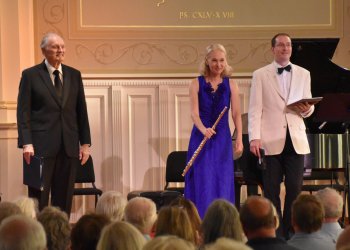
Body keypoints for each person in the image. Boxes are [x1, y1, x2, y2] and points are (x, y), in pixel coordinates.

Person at [17, 32, 91, 215]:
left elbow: (81, 111)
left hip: (68, 147)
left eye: (62, 46)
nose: (60, 50)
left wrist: (85, 144)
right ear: (44, 50)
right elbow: (23, 112)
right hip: (39, 149)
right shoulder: (30, 75)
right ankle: (39, 239)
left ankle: (60, 237)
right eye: (55, 46)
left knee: (64, 199)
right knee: (38, 199)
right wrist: (26, 143)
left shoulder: (74, 75)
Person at [248, 32, 315, 238]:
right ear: (273, 49)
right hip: (269, 140)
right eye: (281, 45)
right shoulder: (260, 74)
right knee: (271, 190)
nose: (285, 48)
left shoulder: (304, 73)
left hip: (295, 139)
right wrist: (254, 137)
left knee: (295, 189)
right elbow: (255, 109)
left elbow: (309, 107)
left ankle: (290, 231)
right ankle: (275, 232)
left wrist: (306, 110)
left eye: (288, 45)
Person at [184, 43, 243, 218]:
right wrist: (204, 129)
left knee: (222, 181)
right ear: (207, 62)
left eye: (222, 60)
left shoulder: (232, 84)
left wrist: (239, 138)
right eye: (214, 60)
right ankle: (200, 223)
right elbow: (194, 114)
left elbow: (237, 113)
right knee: (203, 181)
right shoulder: (195, 83)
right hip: (200, 137)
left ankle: (223, 223)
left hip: (222, 140)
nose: (219, 64)